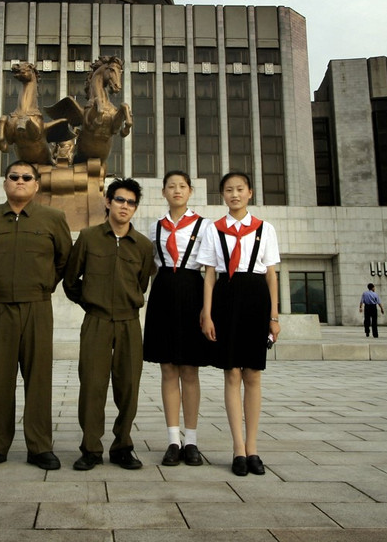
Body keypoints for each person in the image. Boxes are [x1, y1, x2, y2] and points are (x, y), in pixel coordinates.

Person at [0, 160, 72, 471]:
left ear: (36, 185)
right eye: (14, 177)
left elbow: (64, 260)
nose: (20, 181)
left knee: (39, 379)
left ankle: (40, 447)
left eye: (27, 177)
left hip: (37, 307)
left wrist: (43, 285)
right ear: (5, 183)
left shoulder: (53, 218)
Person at [64, 178, 157, 471]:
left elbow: (141, 283)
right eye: (120, 200)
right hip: (97, 321)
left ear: (135, 208)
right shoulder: (89, 237)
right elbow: (70, 280)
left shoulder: (143, 245)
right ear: (108, 202)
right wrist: (91, 303)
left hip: (129, 323)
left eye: (130, 202)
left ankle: (122, 446)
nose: (124, 207)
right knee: (92, 385)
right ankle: (91, 448)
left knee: (128, 386)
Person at [198, 171, 280, 477]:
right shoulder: (213, 229)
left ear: (250, 193)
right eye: (228, 190)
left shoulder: (264, 229)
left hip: (256, 297)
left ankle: (254, 447)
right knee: (231, 372)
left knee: (253, 374)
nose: (234, 194)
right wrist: (207, 313)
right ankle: (237, 449)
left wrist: (274, 316)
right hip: (226, 296)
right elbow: (209, 274)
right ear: (222, 196)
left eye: (239, 189)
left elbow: (271, 275)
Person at [142, 170, 212, 466]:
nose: (177, 190)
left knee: (190, 371)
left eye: (182, 186)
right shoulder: (154, 226)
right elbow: (150, 266)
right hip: (163, 293)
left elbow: (210, 269)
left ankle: (192, 441)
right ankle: (173, 440)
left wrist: (207, 310)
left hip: (192, 291)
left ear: (190, 191)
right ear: (163, 193)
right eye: (171, 186)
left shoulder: (204, 225)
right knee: (168, 369)